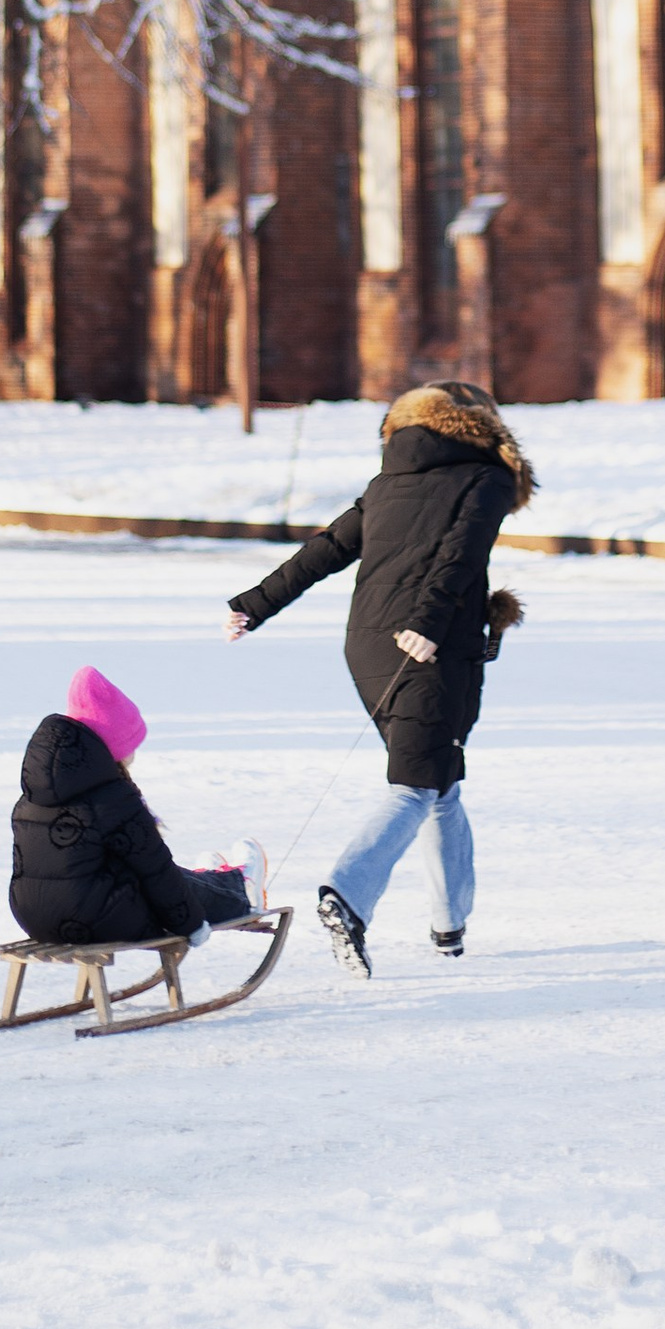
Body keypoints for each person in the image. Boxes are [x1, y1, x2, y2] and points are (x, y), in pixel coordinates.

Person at [225, 380, 529, 978]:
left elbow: (325, 549)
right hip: (430, 650)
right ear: (485, 427)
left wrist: (256, 603)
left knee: (440, 781)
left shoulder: (388, 482)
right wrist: (429, 623)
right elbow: (461, 554)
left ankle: (450, 925)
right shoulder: (487, 479)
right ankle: (348, 896)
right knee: (416, 785)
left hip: (366, 648)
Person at [7, 665, 266, 950]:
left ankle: (211, 880)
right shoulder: (113, 798)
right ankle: (241, 886)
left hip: (35, 918)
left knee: (157, 878)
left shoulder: (33, 795)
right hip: (98, 920)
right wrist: (191, 925)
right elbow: (155, 871)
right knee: (170, 882)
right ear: (112, 746)